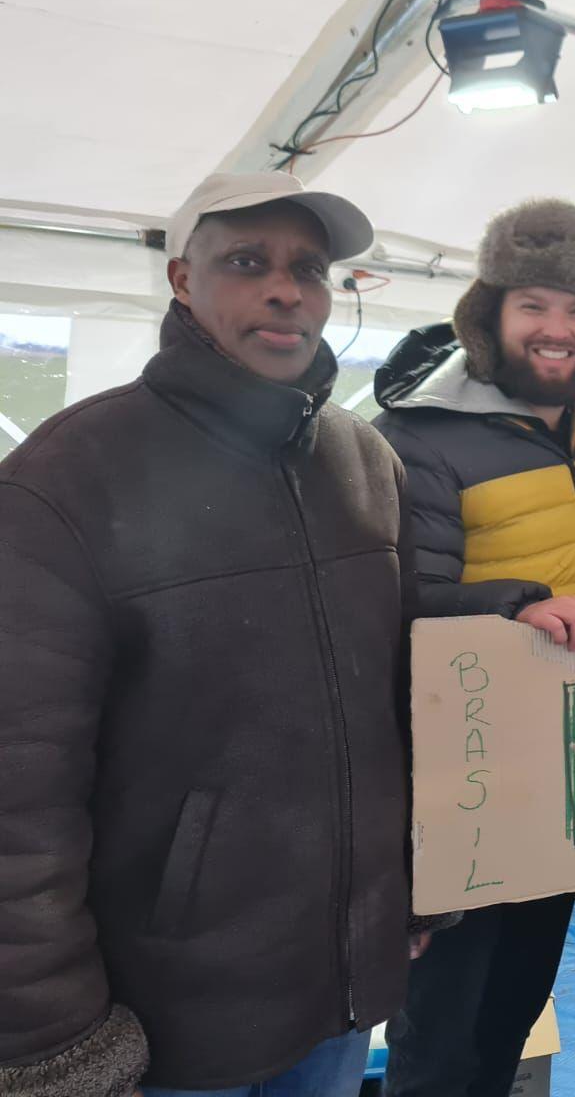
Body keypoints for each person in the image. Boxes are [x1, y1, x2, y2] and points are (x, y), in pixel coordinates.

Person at [0, 173, 415, 1096]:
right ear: (183, 280)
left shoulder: (366, 460)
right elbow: (18, 786)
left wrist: (512, 613)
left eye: (309, 268)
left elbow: (400, 670)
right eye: (247, 262)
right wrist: (53, 1039)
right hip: (171, 1025)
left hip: (341, 999)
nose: (285, 289)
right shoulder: (68, 478)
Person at [372, 199, 575, 1097]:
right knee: (440, 1030)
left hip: (569, 770)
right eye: (535, 304)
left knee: (516, 1002)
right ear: (490, 314)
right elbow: (393, 600)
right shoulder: (421, 435)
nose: (557, 330)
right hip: (458, 775)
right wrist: (516, 605)